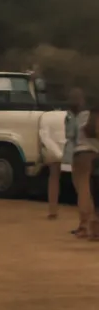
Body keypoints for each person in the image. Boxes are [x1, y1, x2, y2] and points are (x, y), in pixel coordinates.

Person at [68, 88, 99, 239]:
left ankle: (84, 226)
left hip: (81, 153)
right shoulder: (93, 116)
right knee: (93, 192)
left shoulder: (79, 116)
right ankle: (94, 227)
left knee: (83, 190)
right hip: (95, 153)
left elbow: (72, 137)